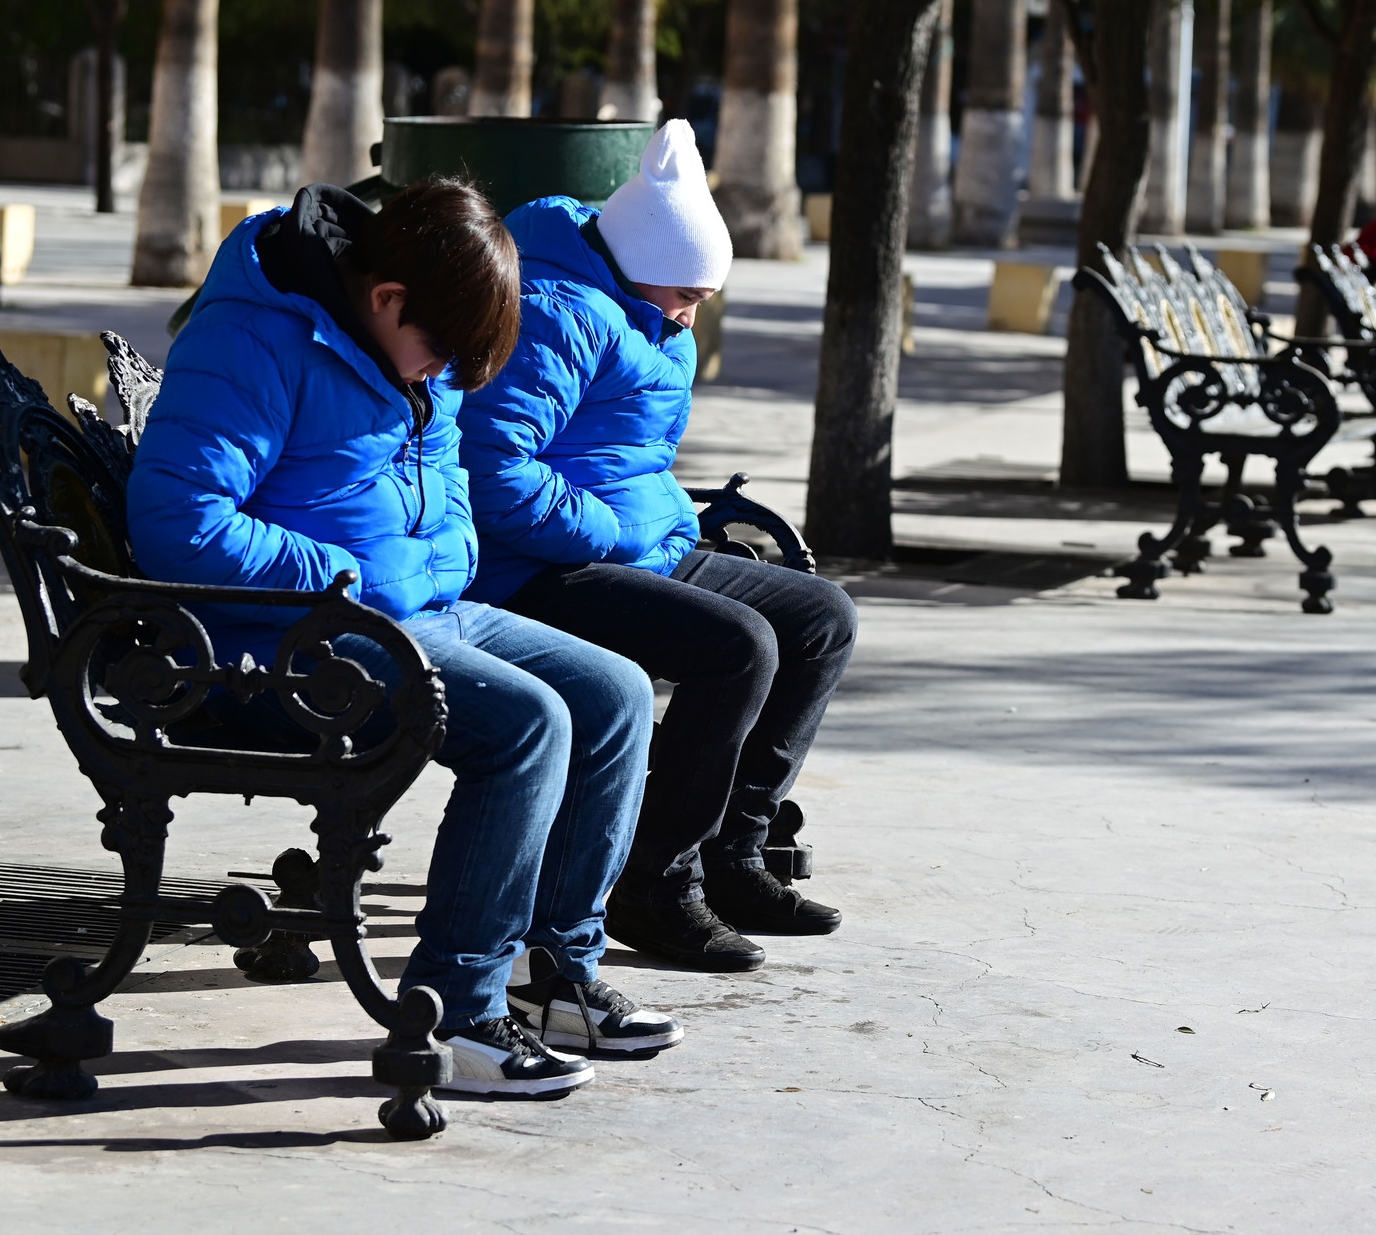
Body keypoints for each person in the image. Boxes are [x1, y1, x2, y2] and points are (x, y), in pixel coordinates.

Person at [126, 178, 682, 1092]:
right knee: (529, 725)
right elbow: (179, 518)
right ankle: (457, 1017)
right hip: (287, 639)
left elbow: (449, 469)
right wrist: (338, 577)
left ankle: (553, 971)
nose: (444, 376)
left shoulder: (418, 340)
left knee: (615, 693)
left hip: (415, 609)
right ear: (386, 298)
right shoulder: (260, 335)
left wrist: (448, 552)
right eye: (442, 354)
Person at [458, 121, 859, 973]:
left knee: (820, 617)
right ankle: (654, 882)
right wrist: (617, 529)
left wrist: (655, 522)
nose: (692, 312)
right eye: (686, 293)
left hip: (638, 544)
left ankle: (733, 854)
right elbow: (491, 473)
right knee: (735, 648)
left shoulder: (641, 306)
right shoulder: (558, 314)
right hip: (538, 567)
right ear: (639, 262)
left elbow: (628, 459)